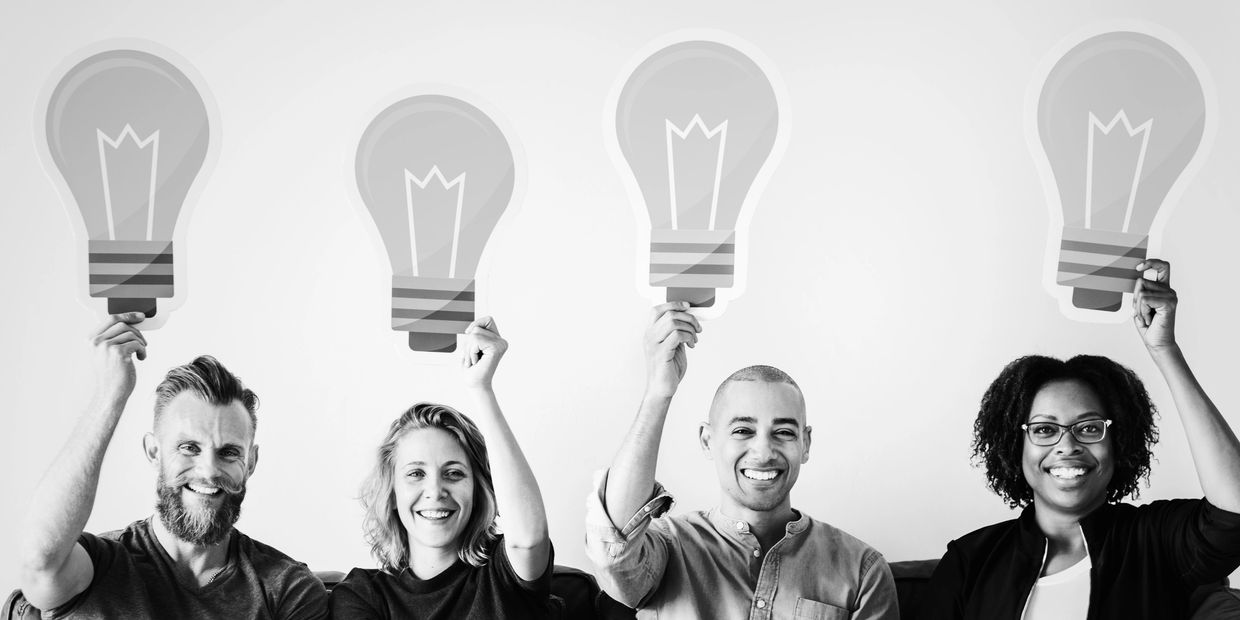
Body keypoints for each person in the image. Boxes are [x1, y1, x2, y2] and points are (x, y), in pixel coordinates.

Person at [919, 259, 1240, 619]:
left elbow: (1235, 508)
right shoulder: (971, 559)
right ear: (1015, 447)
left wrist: (1164, 350)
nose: (1067, 446)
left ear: (1118, 443)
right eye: (1044, 430)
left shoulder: (1156, 541)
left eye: (1089, 428)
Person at [586, 302, 899, 619]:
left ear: (806, 444)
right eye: (742, 430)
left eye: (784, 432)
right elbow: (614, 548)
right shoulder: (667, 549)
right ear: (708, 441)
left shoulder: (863, 570)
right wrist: (658, 391)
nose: (763, 453)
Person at [17, 313, 328, 618]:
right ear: (154, 452)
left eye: (229, 452)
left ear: (251, 463)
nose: (208, 471)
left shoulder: (286, 589)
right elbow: (40, 561)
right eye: (189, 448)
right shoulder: (97, 567)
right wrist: (111, 394)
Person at [330, 317, 554, 619]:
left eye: (454, 473)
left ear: (479, 489)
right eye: (415, 474)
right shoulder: (362, 593)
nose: (435, 491)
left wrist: (481, 388)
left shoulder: (503, 575)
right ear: (392, 493)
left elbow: (528, 539)